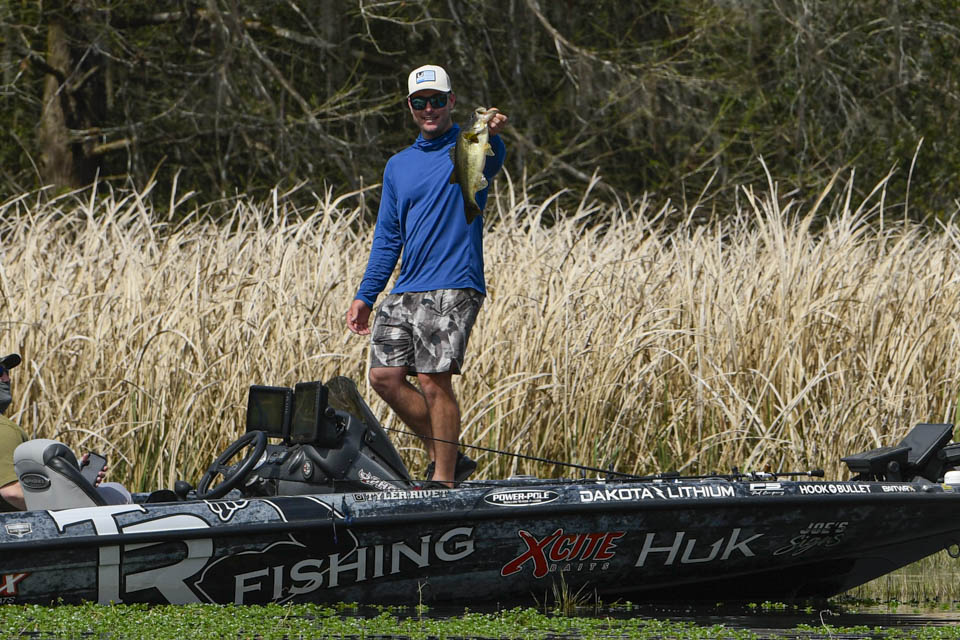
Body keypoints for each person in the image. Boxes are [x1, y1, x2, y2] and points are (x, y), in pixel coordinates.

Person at [346, 64, 508, 488]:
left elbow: (493, 158)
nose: (429, 109)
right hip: (407, 286)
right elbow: (388, 237)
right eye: (421, 102)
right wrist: (366, 295)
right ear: (410, 106)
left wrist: (492, 132)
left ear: (451, 101)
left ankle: (443, 479)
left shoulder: (470, 143)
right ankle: (450, 456)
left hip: (455, 281)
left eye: (437, 100)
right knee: (384, 377)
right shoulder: (397, 166)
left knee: (433, 380)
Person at [0, 352, 128, 510]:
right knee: (119, 492)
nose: (7, 379)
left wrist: (74, 477)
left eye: (7, 372)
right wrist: (72, 501)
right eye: (0, 372)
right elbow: (13, 492)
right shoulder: (4, 429)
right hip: (26, 522)